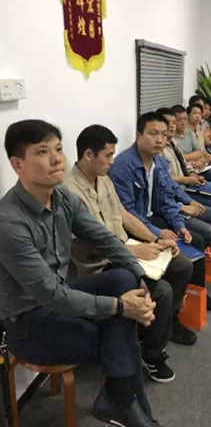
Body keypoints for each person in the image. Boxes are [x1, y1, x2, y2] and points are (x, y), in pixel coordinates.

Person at [0, 120, 160, 426]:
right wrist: (122, 307)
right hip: (30, 323)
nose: (57, 159)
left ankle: (120, 403)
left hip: (62, 300)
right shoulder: (9, 223)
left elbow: (105, 239)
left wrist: (141, 280)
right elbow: (51, 294)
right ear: (18, 164)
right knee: (117, 335)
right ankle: (126, 408)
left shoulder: (62, 197)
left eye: (58, 149)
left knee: (122, 279)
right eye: (43, 152)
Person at [66, 125, 195, 384]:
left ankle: (163, 325)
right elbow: (92, 241)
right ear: (89, 155)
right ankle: (152, 355)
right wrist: (135, 250)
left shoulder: (103, 179)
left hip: (125, 250)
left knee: (182, 265)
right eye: (108, 155)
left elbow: (124, 215)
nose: (112, 161)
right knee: (161, 291)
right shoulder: (69, 192)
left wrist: (155, 239)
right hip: (98, 265)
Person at [108, 112, 211, 311]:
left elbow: (166, 202)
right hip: (134, 226)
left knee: (195, 239)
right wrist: (157, 232)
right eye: (153, 134)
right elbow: (127, 212)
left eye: (163, 135)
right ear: (138, 136)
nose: (160, 140)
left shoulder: (160, 163)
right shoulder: (123, 165)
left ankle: (197, 295)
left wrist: (179, 226)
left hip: (154, 217)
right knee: (182, 254)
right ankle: (175, 306)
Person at [158, 108, 211, 245]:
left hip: (189, 183)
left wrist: (192, 174)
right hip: (184, 189)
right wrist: (188, 180)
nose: (172, 126)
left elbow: (185, 163)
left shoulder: (173, 143)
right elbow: (167, 180)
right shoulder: (159, 150)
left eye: (174, 122)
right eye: (168, 123)